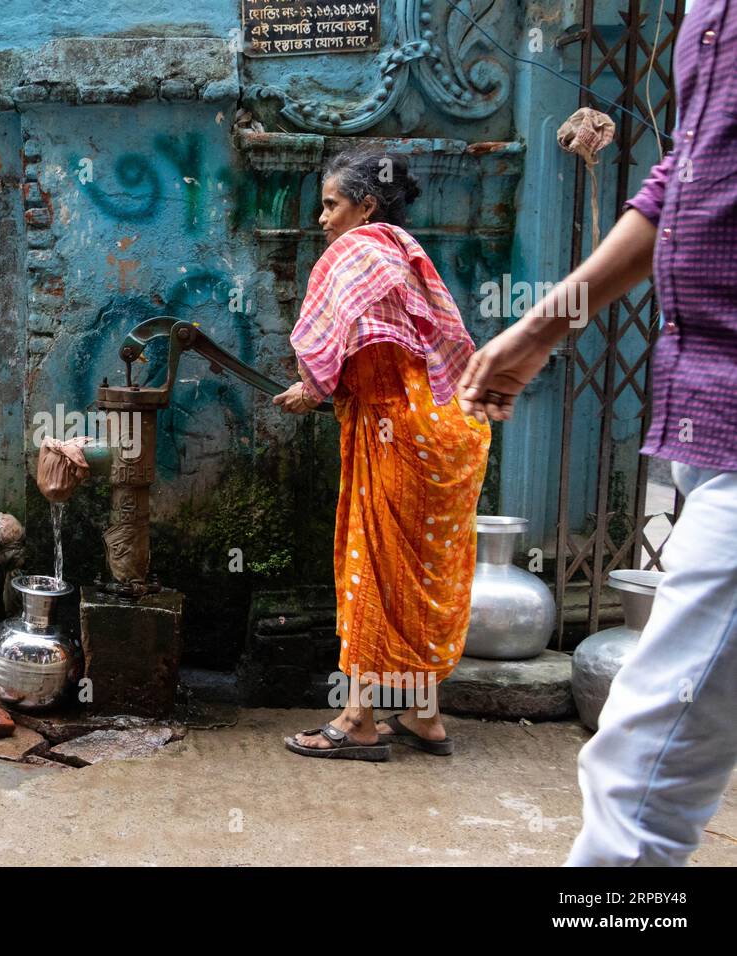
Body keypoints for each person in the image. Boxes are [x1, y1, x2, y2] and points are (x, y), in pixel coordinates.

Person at [457, 1, 737, 865]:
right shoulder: (704, 13)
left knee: (643, 777)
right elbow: (682, 178)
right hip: (708, 420)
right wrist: (543, 327)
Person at [275, 149, 491, 761]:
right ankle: (425, 719)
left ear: (366, 205)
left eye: (331, 204)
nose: (322, 219)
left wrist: (312, 387)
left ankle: (359, 720)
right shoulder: (401, 249)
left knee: (370, 567)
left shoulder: (360, 248)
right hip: (447, 431)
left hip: (398, 430)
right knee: (419, 576)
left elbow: (328, 345)